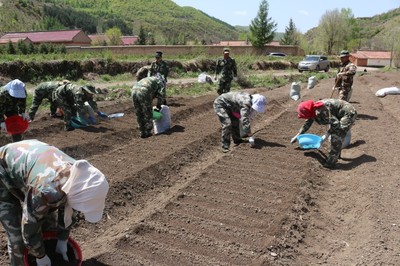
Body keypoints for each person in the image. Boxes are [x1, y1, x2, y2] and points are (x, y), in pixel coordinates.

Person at [0, 139, 109, 266]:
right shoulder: (47, 191)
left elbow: (69, 209)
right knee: (17, 237)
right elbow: (29, 226)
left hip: (33, 170)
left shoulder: (81, 178)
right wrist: (40, 256)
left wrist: (62, 240)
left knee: (48, 228)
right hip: (3, 171)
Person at [290, 99, 357, 168]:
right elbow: (308, 122)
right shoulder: (312, 109)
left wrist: (326, 135)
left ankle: (331, 162)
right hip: (338, 113)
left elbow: (336, 124)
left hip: (348, 113)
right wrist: (298, 135)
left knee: (336, 136)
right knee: (334, 133)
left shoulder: (321, 111)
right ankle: (337, 154)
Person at [131, 74, 166, 138]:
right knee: (147, 112)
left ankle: (142, 131)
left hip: (134, 90)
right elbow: (161, 94)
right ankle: (147, 131)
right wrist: (159, 106)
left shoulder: (149, 79)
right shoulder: (160, 82)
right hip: (144, 91)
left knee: (138, 112)